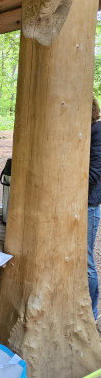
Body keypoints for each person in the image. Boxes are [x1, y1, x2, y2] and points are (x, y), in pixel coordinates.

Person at [88, 96, 101, 320]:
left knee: (84, 261)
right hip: (71, 203)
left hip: (88, 204)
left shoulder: (97, 131)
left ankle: (91, 312)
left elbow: (94, 173)